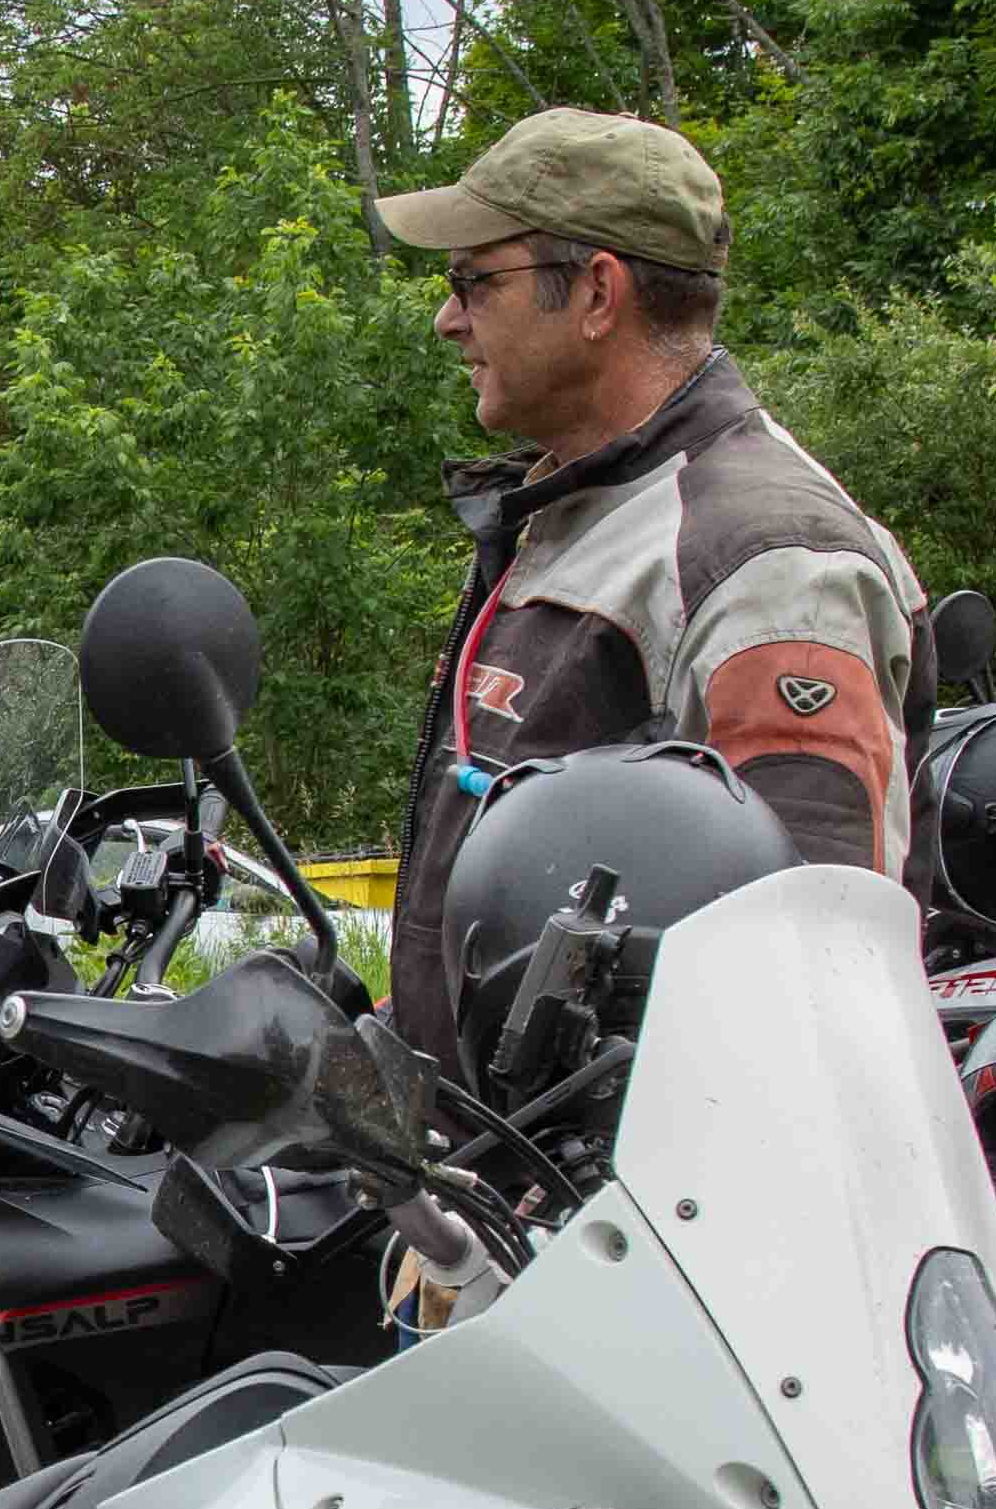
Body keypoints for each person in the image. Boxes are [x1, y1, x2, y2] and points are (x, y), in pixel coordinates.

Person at [374, 109, 922, 1065]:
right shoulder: (581, 506)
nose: (448, 316)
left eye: (474, 280)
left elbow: (804, 971)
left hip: (597, 1201)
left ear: (595, 293)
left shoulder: (769, 563)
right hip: (478, 1172)